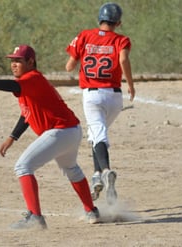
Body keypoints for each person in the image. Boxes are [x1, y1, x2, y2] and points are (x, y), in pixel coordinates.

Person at [0, 45, 100, 230]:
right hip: (71, 131)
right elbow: (27, 114)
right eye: (12, 61)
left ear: (30, 62)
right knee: (71, 169)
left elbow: (12, 86)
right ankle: (92, 211)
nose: (14, 64)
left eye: (18, 60)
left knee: (23, 166)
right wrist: (12, 138)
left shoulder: (32, 78)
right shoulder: (29, 83)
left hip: (60, 131)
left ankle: (35, 217)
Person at [65, 2, 135, 205]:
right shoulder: (121, 40)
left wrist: (80, 57)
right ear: (118, 23)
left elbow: (69, 66)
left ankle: (105, 171)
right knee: (98, 135)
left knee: (97, 133)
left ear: (99, 19)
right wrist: (130, 84)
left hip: (92, 95)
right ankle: (96, 173)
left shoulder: (85, 35)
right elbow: (123, 60)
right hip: (114, 96)